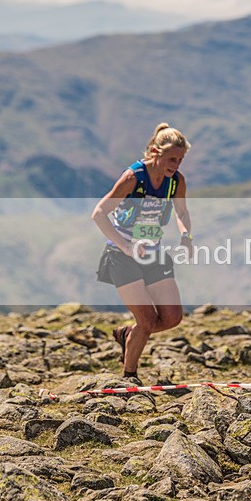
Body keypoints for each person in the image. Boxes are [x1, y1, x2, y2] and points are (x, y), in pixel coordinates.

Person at [93, 123, 193, 383]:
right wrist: (125, 246)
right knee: (147, 320)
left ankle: (128, 334)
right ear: (154, 151)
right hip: (121, 256)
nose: (176, 164)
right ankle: (130, 375)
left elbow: (181, 212)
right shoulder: (133, 177)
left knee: (172, 318)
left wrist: (186, 235)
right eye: (172, 159)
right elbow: (99, 213)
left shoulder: (176, 181)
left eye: (180, 160)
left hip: (153, 254)